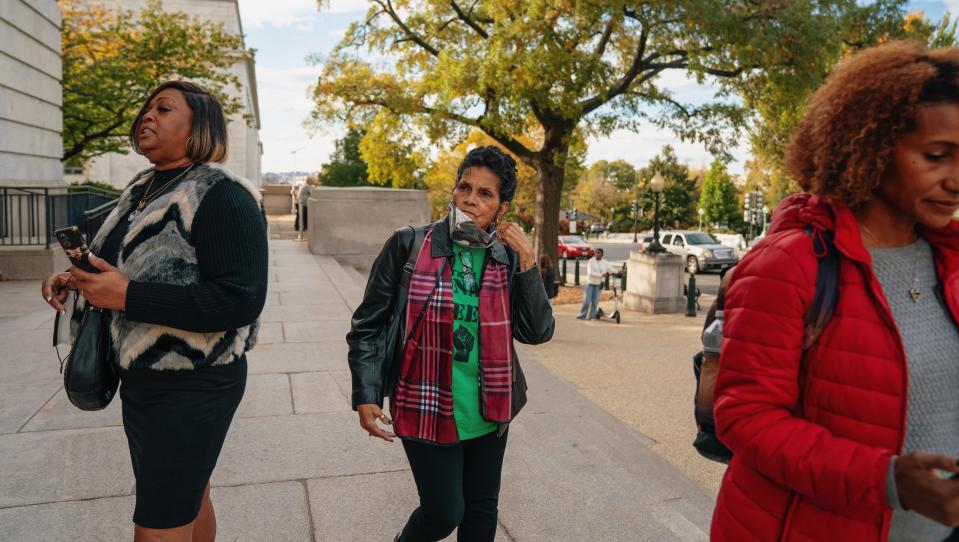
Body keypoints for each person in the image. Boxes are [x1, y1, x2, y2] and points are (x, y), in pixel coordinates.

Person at [711, 41, 959, 541]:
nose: (955, 180)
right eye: (936, 156)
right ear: (870, 146)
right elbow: (744, 416)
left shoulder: (950, 260)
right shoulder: (792, 263)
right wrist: (887, 480)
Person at [41, 80, 268, 542]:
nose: (147, 115)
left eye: (163, 109)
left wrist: (127, 296)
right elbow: (120, 266)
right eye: (146, 108)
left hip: (195, 382)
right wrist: (75, 281)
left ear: (198, 127)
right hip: (142, 378)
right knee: (189, 497)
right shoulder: (141, 188)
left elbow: (241, 299)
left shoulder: (223, 194)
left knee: (158, 523)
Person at [347, 145, 554, 542]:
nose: (471, 200)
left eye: (485, 194)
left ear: (502, 209)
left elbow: (536, 332)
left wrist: (527, 259)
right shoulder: (409, 244)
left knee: (480, 511)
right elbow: (367, 325)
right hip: (423, 402)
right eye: (465, 187)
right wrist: (366, 392)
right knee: (443, 512)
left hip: (489, 409)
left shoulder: (505, 258)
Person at [577, 248, 610, 320]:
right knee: (587, 301)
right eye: (596, 253)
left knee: (595, 302)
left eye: (599, 253)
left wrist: (618, 272)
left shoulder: (605, 262)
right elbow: (590, 273)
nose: (597, 254)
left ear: (602, 254)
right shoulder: (591, 261)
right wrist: (601, 275)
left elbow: (610, 269)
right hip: (590, 283)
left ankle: (592, 316)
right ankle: (582, 315)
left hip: (598, 284)